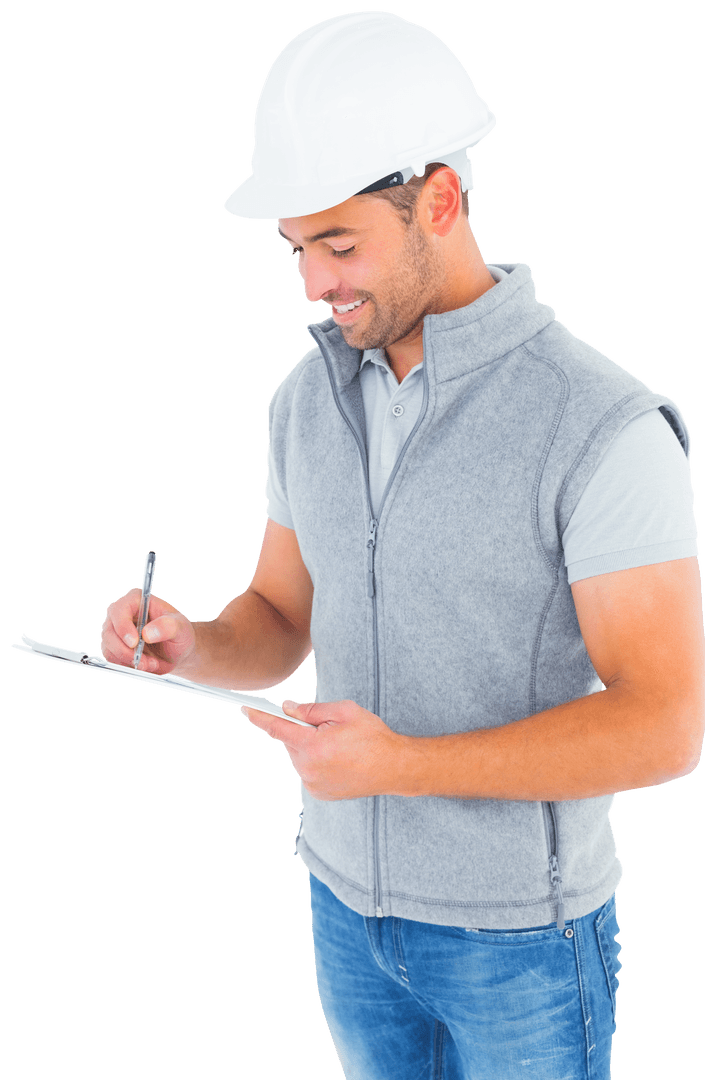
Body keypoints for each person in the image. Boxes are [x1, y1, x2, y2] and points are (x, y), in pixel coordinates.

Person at [100, 12, 704, 1080]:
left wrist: (405, 767)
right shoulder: (306, 398)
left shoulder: (599, 424)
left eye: (339, 244)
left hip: (521, 942)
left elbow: (664, 725)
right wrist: (191, 642)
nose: (313, 284)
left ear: (439, 200)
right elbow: (281, 620)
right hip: (344, 912)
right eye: (297, 249)